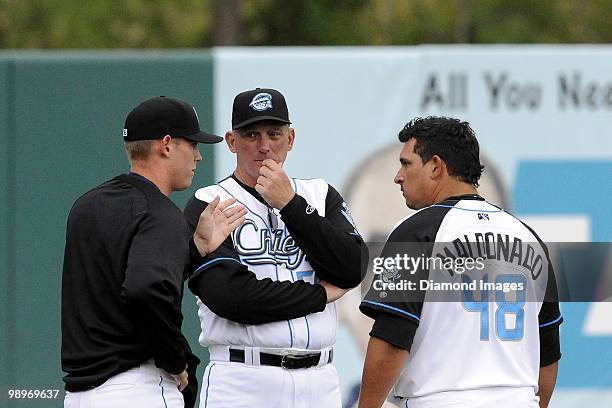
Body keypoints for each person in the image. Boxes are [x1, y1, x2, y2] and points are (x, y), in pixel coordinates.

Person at [358, 117, 563, 408]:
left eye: (406, 163)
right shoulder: (529, 236)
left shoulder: (417, 231)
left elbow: (391, 338)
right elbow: (548, 354)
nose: (398, 176)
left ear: (436, 166)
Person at [183, 88, 368, 407]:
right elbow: (232, 298)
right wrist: (319, 295)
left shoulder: (319, 196)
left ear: (291, 138)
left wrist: (291, 205)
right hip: (243, 378)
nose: (264, 146)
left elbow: (352, 268)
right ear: (231, 141)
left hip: (320, 379)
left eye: (274, 133)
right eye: (251, 134)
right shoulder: (210, 202)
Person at [61, 96, 246, 408]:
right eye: (194, 144)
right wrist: (175, 360)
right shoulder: (161, 213)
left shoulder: (87, 205)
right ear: (168, 144)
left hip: (81, 395)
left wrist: (195, 248)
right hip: (138, 388)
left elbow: (121, 284)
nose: (199, 157)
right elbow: (145, 291)